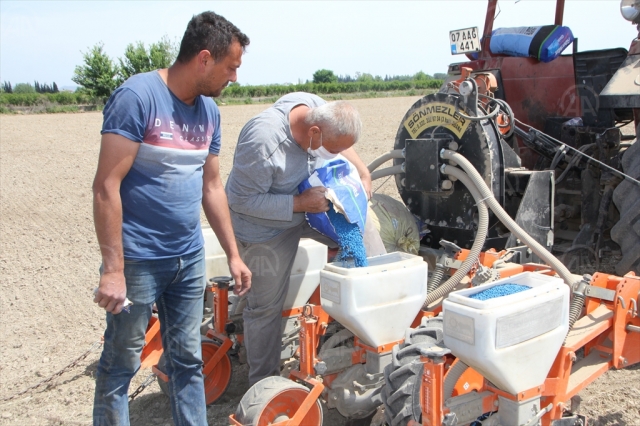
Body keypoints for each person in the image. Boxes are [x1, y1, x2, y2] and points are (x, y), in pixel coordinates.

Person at [91, 11, 251, 426]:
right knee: (120, 365)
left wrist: (233, 254)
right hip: (139, 259)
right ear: (204, 58)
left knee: (188, 360)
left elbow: (211, 187)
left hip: (188, 258)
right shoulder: (137, 98)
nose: (233, 77)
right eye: (230, 66)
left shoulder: (210, 114)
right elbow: (106, 186)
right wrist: (113, 269)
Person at [225, 92, 372, 386]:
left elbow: (342, 147)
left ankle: (354, 329)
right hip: (263, 227)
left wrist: (364, 175)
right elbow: (239, 200)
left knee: (362, 238)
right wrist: (300, 204)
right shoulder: (264, 142)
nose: (334, 156)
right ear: (314, 133)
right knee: (265, 307)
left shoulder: (317, 110)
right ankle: (262, 385)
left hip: (307, 208)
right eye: (330, 150)